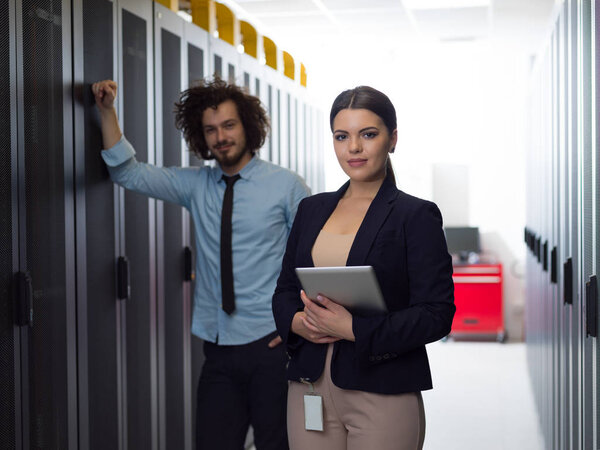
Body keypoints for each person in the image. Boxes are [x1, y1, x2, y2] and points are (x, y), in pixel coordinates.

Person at [92, 78, 310, 450]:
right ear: (201, 136)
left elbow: (310, 260)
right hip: (219, 347)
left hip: (271, 347)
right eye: (210, 130)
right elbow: (127, 173)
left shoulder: (286, 186)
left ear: (248, 127)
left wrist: (299, 324)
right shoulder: (196, 185)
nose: (220, 137)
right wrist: (107, 111)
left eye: (228, 125)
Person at [272, 86, 455, 450]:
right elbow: (285, 291)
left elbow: (437, 314)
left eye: (367, 134)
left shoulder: (415, 215)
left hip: (382, 388)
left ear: (392, 139)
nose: (353, 147)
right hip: (309, 385)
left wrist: (353, 328)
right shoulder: (311, 209)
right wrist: (297, 323)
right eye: (342, 136)